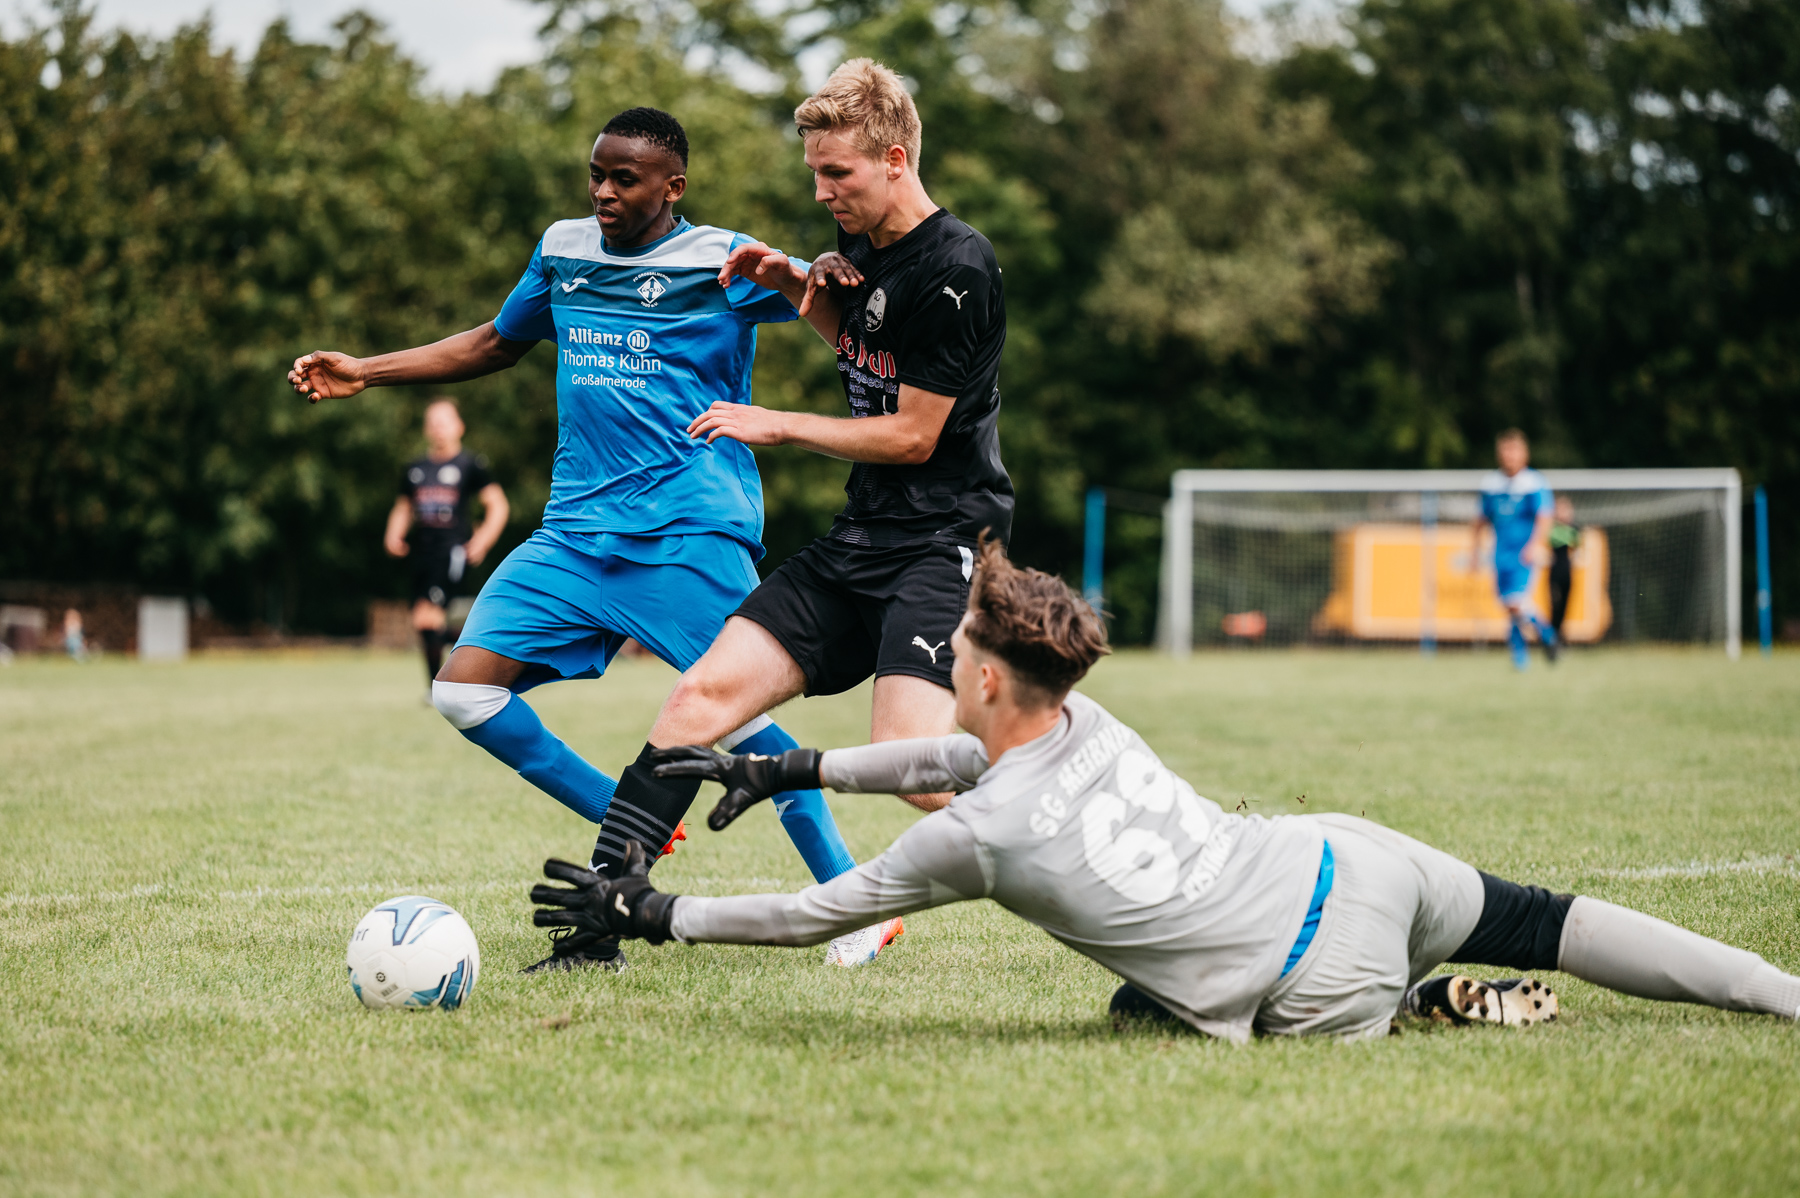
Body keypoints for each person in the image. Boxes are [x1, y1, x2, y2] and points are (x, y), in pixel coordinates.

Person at [530, 538, 1800, 1040]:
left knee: (1143, 1014)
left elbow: (819, 912)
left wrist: (656, 911)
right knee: (1551, 918)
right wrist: (791, 764)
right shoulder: (1081, 717)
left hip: (1311, 981)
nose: (941, 656)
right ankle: (1778, 991)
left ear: (985, 678)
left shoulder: (980, 837)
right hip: (1347, 857)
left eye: (954, 648)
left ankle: (1418, 1004)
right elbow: (945, 760)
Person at [287, 107, 867, 972]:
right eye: (596, 174)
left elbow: (830, 309)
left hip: (685, 532)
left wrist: (815, 270)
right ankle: (626, 819)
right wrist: (366, 370)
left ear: (672, 186)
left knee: (743, 723)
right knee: (462, 693)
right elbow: (495, 342)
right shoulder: (562, 249)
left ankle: (855, 906)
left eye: (624, 179)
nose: (603, 191)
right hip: (571, 535)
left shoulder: (720, 257)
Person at [570, 60, 1011, 968]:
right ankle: (595, 925)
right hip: (859, 539)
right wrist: (789, 284)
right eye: (814, 172)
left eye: (836, 173)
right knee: (699, 697)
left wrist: (776, 423)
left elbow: (914, 435)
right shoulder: (865, 246)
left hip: (941, 543)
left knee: (915, 770)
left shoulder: (959, 266)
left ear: (894, 160)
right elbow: (863, 350)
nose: (821, 192)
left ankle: (1085, 824)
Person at [385, 399, 508, 685]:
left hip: (452, 550)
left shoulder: (471, 464)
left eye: (445, 422)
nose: (439, 428)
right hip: (422, 551)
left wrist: (484, 539)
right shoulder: (415, 468)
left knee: (428, 618)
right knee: (423, 620)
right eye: (433, 423)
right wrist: (393, 533)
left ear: (459, 426)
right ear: (426, 429)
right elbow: (404, 507)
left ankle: (440, 684)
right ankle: (484, 648)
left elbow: (498, 505)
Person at [1472, 429, 1557, 670]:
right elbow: (1480, 520)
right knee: (1511, 607)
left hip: (1524, 554)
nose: (1509, 456)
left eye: (1513, 450)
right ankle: (1524, 655)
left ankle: (1546, 636)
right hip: (1500, 554)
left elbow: (1544, 517)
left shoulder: (1534, 483)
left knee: (1516, 602)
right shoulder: (1491, 484)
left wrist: (1535, 545)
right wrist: (1474, 552)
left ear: (1524, 453)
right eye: (1505, 450)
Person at [1547, 494, 1581, 642]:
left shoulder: (1573, 529)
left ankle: (1559, 635)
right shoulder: (1551, 528)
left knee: (1564, 606)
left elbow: (1577, 549)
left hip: (1567, 572)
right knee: (1554, 605)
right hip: (1554, 573)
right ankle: (1552, 636)